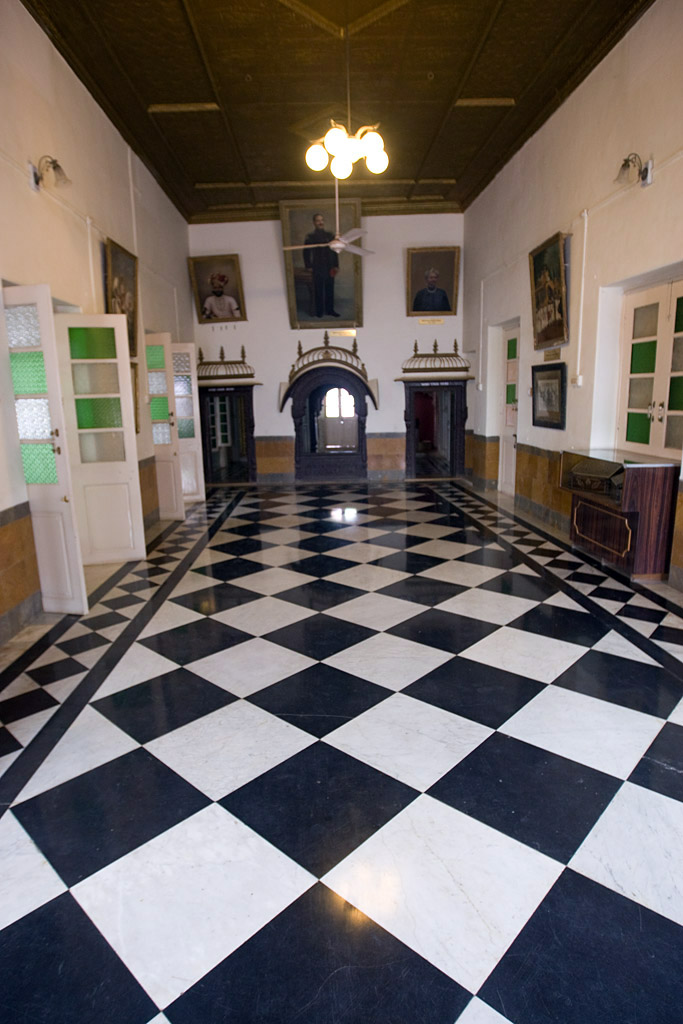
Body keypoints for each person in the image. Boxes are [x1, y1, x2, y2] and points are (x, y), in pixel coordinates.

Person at [303, 213, 339, 318]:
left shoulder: (330, 236)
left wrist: (336, 265)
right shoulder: (310, 237)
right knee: (318, 289)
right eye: (318, 220)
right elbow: (306, 252)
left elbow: (335, 251)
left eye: (322, 220)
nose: (320, 222)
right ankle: (319, 311)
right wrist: (308, 266)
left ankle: (330, 310)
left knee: (330, 288)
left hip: (330, 267)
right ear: (314, 223)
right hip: (317, 267)